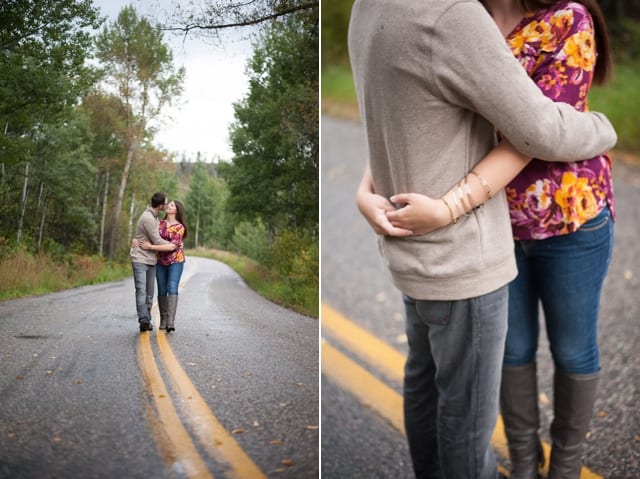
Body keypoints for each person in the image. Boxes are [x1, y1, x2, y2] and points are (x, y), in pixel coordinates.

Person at [348, 1, 617, 478]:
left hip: (568, 216)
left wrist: (595, 129)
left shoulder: (565, 18)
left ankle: (566, 466)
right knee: (511, 355)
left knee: (573, 350)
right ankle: (522, 459)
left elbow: (537, 134)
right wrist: (368, 186)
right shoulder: (464, 12)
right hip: (493, 222)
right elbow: (419, 108)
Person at [136, 200, 187, 333]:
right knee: (162, 289)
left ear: (176, 210)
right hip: (160, 261)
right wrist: (135, 240)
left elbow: (172, 246)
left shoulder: (179, 227)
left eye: (171, 205)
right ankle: (163, 319)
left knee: (172, 286)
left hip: (176, 260)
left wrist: (151, 247)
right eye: (168, 204)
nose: (167, 206)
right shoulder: (159, 224)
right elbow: (149, 235)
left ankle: (170, 320)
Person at [130, 192, 176, 332]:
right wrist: (172, 245)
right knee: (141, 290)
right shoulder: (148, 218)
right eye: (166, 203)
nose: (167, 205)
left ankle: (147, 320)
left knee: (150, 293)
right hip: (140, 258)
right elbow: (156, 240)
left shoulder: (155, 218)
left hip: (151, 259)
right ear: (161, 205)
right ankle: (143, 319)